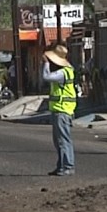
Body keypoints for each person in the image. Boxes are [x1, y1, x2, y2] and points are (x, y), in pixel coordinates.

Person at [42, 44, 76, 176]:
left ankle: (68, 166)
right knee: (59, 140)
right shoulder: (68, 70)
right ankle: (61, 166)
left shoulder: (62, 73)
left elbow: (46, 77)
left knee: (63, 140)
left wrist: (45, 64)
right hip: (60, 110)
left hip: (62, 110)